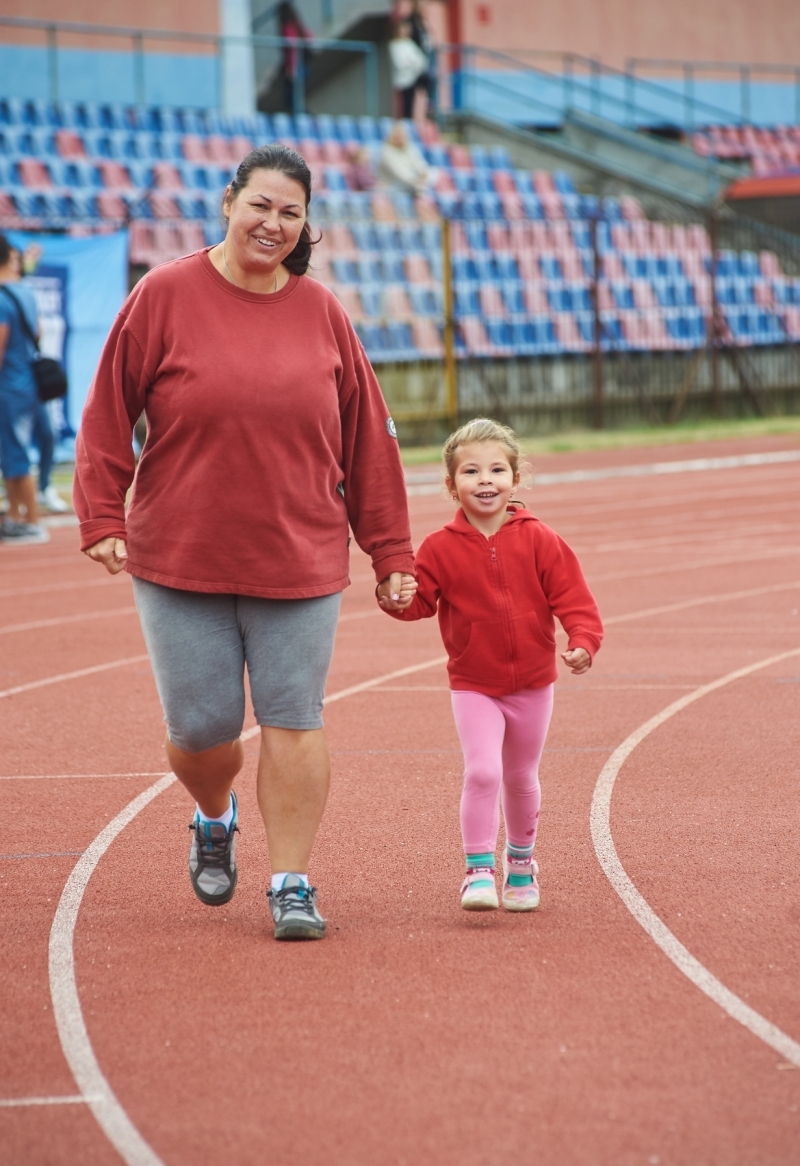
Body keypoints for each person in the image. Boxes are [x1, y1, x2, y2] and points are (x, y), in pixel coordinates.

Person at [74, 143, 416, 941]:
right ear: (229, 201)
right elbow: (106, 412)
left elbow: (369, 437)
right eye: (260, 204)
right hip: (181, 556)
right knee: (202, 733)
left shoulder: (323, 311)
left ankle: (292, 880)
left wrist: (391, 552)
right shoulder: (162, 295)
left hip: (298, 554)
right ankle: (213, 814)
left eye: (290, 213)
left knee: (295, 717)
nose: (273, 223)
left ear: (305, 227)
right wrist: (100, 515)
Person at [380, 418, 603, 912]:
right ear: (450, 484)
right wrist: (395, 598)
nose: (485, 480)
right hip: (473, 684)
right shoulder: (439, 548)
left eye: (497, 470)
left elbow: (574, 599)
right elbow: (419, 604)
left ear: (515, 479)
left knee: (521, 776)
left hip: (533, 686)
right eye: (472, 472)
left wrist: (583, 640)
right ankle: (478, 870)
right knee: (483, 772)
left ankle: (521, 865)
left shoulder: (541, 539)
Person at [0, 234, 48, 544]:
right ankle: (18, 517)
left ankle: (29, 520)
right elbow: (39, 333)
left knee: (14, 454)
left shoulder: (3, 299)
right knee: (13, 453)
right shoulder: (25, 293)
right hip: (25, 383)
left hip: (8, 387)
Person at [378, 121, 437, 194]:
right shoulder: (386, 152)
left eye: (401, 135)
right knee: (419, 188)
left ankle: (423, 192)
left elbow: (419, 162)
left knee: (435, 173)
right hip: (394, 184)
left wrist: (423, 172)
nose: (399, 138)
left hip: (414, 181)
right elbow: (399, 173)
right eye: (397, 136)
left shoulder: (409, 147)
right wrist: (416, 180)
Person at [388, 19, 429, 120]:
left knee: (426, 81)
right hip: (401, 81)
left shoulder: (409, 44)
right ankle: (405, 123)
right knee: (405, 106)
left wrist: (412, 63)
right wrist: (412, 63)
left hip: (412, 78)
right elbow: (400, 64)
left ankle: (429, 107)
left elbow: (421, 60)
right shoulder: (394, 45)